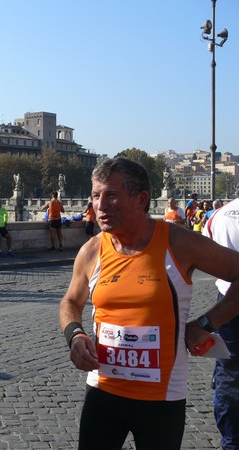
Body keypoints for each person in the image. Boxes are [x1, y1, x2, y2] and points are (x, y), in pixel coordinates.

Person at [59, 156, 239, 450]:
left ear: (141, 198)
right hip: (103, 391)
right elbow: (70, 300)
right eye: (95, 195)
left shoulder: (179, 243)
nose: (99, 205)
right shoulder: (92, 250)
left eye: (111, 195)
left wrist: (207, 323)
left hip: (161, 400)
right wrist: (75, 335)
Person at [202, 197, 239, 449]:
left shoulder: (220, 213)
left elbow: (205, 250)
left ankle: (231, 440)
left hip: (226, 298)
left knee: (229, 369)